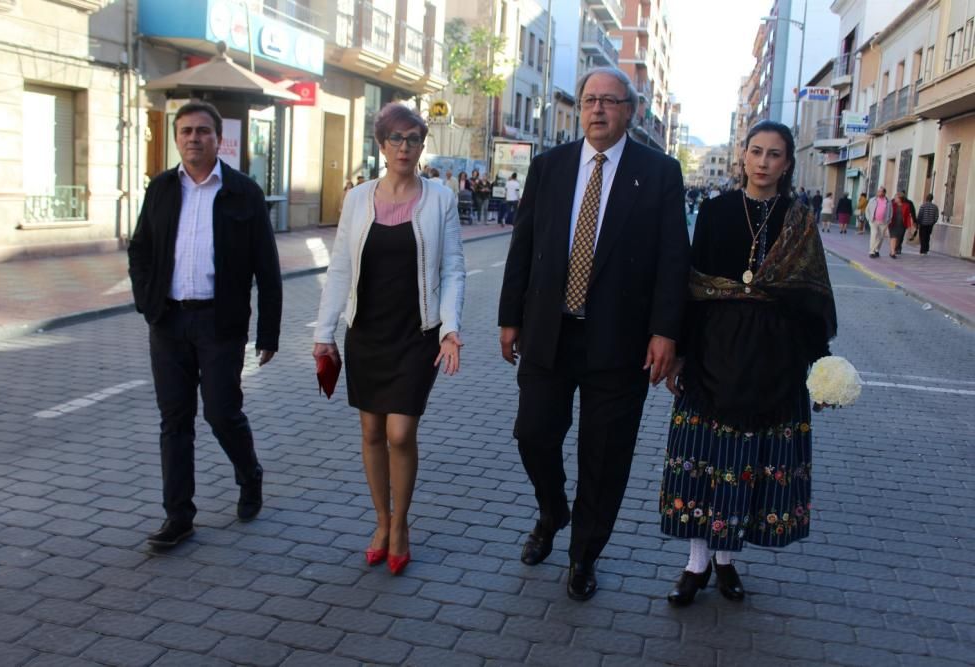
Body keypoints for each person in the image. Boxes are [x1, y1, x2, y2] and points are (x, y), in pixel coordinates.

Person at [498, 66, 690, 601]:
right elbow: (524, 246)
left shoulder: (659, 173)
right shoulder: (549, 167)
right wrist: (509, 316)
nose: (598, 110)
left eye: (609, 101)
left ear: (630, 110)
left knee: (604, 459)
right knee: (532, 434)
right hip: (548, 333)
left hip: (620, 342)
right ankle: (553, 511)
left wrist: (666, 333)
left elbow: (674, 260)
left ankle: (584, 555)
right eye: (589, 100)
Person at [660, 120, 836, 607]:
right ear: (743, 156)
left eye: (774, 154)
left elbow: (811, 296)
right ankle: (696, 565)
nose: (763, 162)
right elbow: (693, 287)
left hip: (776, 355)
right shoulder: (715, 212)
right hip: (715, 349)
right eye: (755, 152)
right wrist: (680, 351)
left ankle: (726, 562)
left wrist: (821, 367)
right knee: (706, 460)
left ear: (787, 162)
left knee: (748, 462)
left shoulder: (799, 218)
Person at [313, 103, 465, 576]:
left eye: (413, 138)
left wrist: (451, 328)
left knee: (401, 432)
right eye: (395, 139)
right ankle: (382, 523)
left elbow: (454, 268)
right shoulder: (358, 199)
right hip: (367, 333)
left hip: (416, 334)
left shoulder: (441, 198)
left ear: (422, 146)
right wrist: (324, 332)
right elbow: (340, 268)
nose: (404, 147)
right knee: (372, 431)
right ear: (380, 146)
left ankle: (401, 524)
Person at [127, 100, 282, 548]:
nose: (193, 138)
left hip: (221, 323)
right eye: (186, 131)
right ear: (176, 139)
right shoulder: (160, 189)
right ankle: (179, 517)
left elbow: (266, 270)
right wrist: (147, 301)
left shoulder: (242, 193)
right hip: (169, 322)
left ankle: (249, 473)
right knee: (174, 420)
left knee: (220, 412)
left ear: (218, 139)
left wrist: (268, 334)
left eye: (202, 131)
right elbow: (140, 249)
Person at [866, 187, 892, 258]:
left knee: (880, 237)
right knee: (874, 235)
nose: (878, 193)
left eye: (880, 191)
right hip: (873, 221)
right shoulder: (872, 200)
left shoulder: (888, 201)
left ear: (884, 193)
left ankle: (876, 250)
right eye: (878, 191)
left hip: (884, 222)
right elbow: (867, 210)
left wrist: (889, 220)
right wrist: (869, 219)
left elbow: (891, 212)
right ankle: (871, 251)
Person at [888, 191, 909, 259]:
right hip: (893, 223)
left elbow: (908, 216)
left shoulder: (906, 205)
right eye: (895, 197)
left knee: (898, 239)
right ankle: (893, 252)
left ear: (900, 198)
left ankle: (893, 249)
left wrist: (909, 225)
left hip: (902, 225)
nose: (895, 199)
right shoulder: (892, 204)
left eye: (896, 198)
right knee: (893, 237)